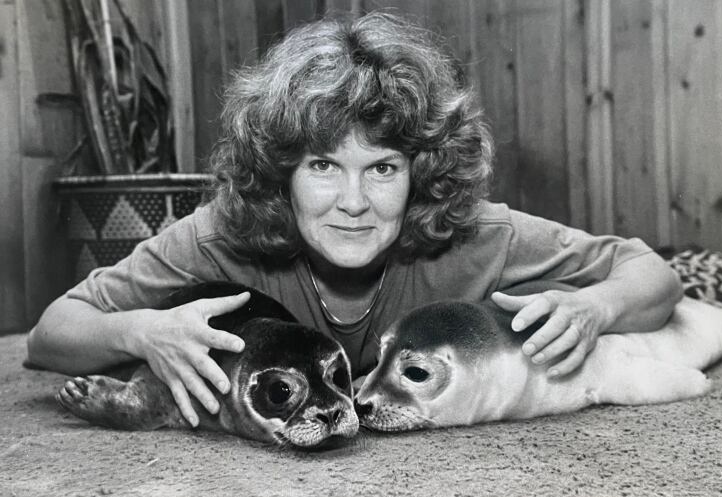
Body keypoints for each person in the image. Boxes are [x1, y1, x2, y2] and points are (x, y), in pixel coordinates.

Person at [27, 12, 682, 428]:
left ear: (420, 172)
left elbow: (651, 274)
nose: (353, 200)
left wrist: (594, 307)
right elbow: (50, 335)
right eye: (322, 166)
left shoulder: (478, 236)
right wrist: (144, 331)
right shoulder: (221, 232)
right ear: (281, 172)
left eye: (383, 169)